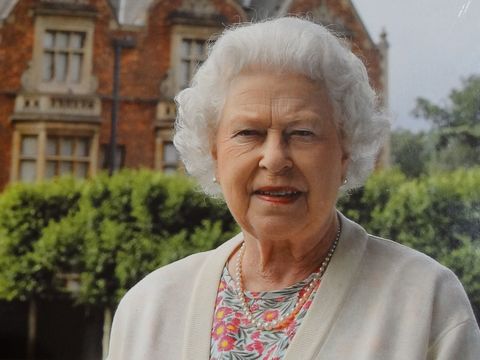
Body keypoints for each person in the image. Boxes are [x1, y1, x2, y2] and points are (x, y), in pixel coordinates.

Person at [107, 17, 480, 359]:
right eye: (248, 133)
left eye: (302, 133)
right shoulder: (149, 308)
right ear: (214, 152)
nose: (274, 159)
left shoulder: (426, 301)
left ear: (345, 151)